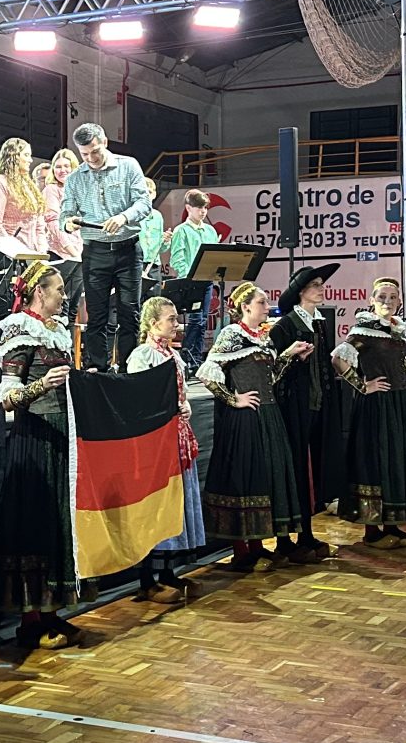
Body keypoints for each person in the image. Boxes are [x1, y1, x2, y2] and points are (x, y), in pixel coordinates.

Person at [0, 261, 80, 650]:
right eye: (58, 288)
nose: (64, 295)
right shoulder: (17, 329)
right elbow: (7, 397)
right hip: (33, 440)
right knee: (34, 523)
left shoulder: (58, 331)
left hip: (60, 437)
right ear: (39, 291)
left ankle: (51, 611)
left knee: (56, 522)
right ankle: (30, 620)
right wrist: (41, 385)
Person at [199, 280, 310, 571]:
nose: (266, 307)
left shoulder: (263, 337)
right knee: (245, 480)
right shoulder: (231, 335)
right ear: (245, 307)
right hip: (245, 419)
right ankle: (242, 550)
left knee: (264, 479)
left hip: (268, 415)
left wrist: (289, 356)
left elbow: (270, 378)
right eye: (261, 302)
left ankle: (258, 546)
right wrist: (232, 399)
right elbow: (207, 372)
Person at [331, 277, 406, 547]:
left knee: (395, 462)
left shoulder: (396, 331)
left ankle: (391, 524)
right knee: (375, 461)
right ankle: (371, 530)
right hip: (376, 406)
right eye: (382, 297)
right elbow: (338, 358)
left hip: (399, 404)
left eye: (392, 297)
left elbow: (399, 368)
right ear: (372, 300)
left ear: (400, 302)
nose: (387, 302)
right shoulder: (364, 330)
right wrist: (363, 386)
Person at [128, 296, 204, 602]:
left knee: (176, 504)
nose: (176, 324)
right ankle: (147, 580)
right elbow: (137, 400)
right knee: (155, 507)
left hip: (177, 437)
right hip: (155, 442)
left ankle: (168, 572)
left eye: (176, 318)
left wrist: (185, 407)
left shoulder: (174, 356)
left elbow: (180, 394)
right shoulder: (142, 356)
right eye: (170, 319)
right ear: (153, 322)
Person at [59, 123, 152, 372]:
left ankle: (128, 369)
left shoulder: (128, 165)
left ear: (105, 143)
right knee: (96, 315)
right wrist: (68, 223)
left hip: (128, 250)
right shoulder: (75, 178)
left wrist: (123, 217)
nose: (91, 158)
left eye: (95, 152)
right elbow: (65, 214)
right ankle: (97, 370)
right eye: (84, 154)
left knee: (129, 314)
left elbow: (144, 203)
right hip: (95, 252)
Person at [271, 264, 338, 562]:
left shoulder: (320, 324)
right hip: (293, 409)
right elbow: (273, 373)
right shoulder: (284, 326)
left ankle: (307, 533)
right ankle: (286, 539)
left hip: (317, 405)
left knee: (311, 471)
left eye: (322, 284)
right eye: (316, 285)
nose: (321, 289)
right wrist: (292, 358)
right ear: (301, 292)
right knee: (294, 470)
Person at [166, 189, 217, 367]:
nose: (203, 211)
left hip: (207, 280)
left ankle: (197, 359)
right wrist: (188, 276)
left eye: (205, 208)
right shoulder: (181, 230)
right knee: (195, 319)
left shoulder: (210, 230)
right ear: (188, 208)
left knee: (203, 321)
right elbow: (176, 258)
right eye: (199, 208)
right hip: (191, 281)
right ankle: (187, 358)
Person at [0, 137, 48, 253]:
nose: (30, 160)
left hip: (32, 253)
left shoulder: (29, 186)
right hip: (9, 255)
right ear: (14, 156)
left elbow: (39, 225)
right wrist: (12, 251)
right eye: (26, 155)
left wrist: (42, 251)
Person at [41, 156, 82, 261]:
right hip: (60, 253)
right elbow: (53, 223)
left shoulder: (80, 191)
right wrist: (74, 253)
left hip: (80, 251)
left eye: (66, 166)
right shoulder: (51, 189)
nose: (62, 170)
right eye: (58, 167)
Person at [135, 178, 167, 293]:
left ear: (154, 194)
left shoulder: (158, 216)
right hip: (136, 264)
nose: (146, 195)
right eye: (143, 192)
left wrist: (166, 241)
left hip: (154, 266)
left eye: (149, 192)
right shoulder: (132, 215)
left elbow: (161, 248)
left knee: (155, 300)